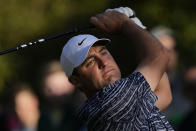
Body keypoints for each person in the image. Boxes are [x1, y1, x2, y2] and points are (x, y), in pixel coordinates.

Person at [60, 7, 173, 130]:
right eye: (90, 62)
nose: (103, 62)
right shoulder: (110, 107)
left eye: (103, 53)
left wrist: (137, 27)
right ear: (76, 80)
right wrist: (125, 24)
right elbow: (160, 56)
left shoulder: (125, 105)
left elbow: (163, 93)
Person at [150, 26, 192, 128]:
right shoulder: (142, 87)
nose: (171, 54)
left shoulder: (187, 81)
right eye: (164, 49)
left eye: (173, 49)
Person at [36, 60, 86, 131]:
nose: (58, 94)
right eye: (51, 90)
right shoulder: (41, 116)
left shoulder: (83, 113)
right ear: (42, 90)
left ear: (72, 85)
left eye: (62, 87)